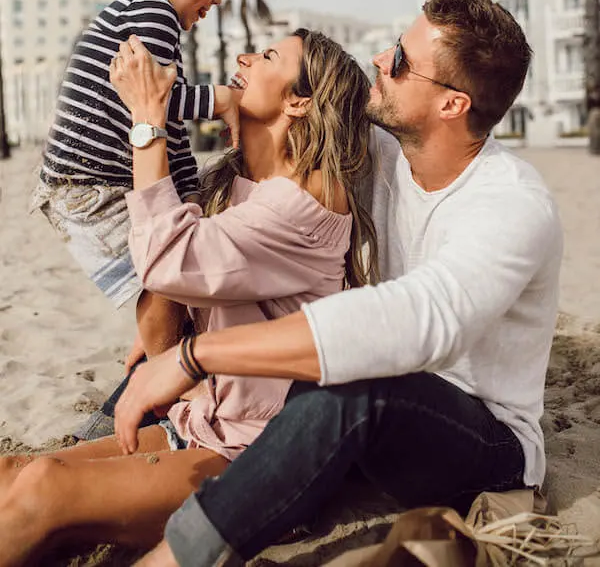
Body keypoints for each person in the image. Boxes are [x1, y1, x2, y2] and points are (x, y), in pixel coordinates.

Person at [114, 0, 561, 567]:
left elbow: (422, 324)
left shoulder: (511, 204)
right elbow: (298, 132)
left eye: (400, 62)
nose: (380, 60)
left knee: (352, 385)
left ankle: (174, 557)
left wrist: (197, 354)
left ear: (453, 104)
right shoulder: (384, 151)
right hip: (382, 411)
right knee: (157, 378)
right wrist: (228, 103)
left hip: (481, 435)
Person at [0, 28, 378, 565]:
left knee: (42, 487)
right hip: (198, 420)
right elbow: (200, 277)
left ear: (300, 101)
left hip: (250, 455)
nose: (244, 57)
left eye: (268, 55)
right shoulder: (242, 180)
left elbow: (166, 261)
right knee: (14, 474)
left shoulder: (305, 203)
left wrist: (148, 118)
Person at [31, 0, 263, 389]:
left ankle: (160, 362)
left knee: (171, 264)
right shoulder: (153, 13)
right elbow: (161, 103)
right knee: (163, 279)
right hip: (93, 184)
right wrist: (220, 99)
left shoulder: (138, 10)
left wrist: (191, 196)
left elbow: (165, 128)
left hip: (88, 178)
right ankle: (168, 381)